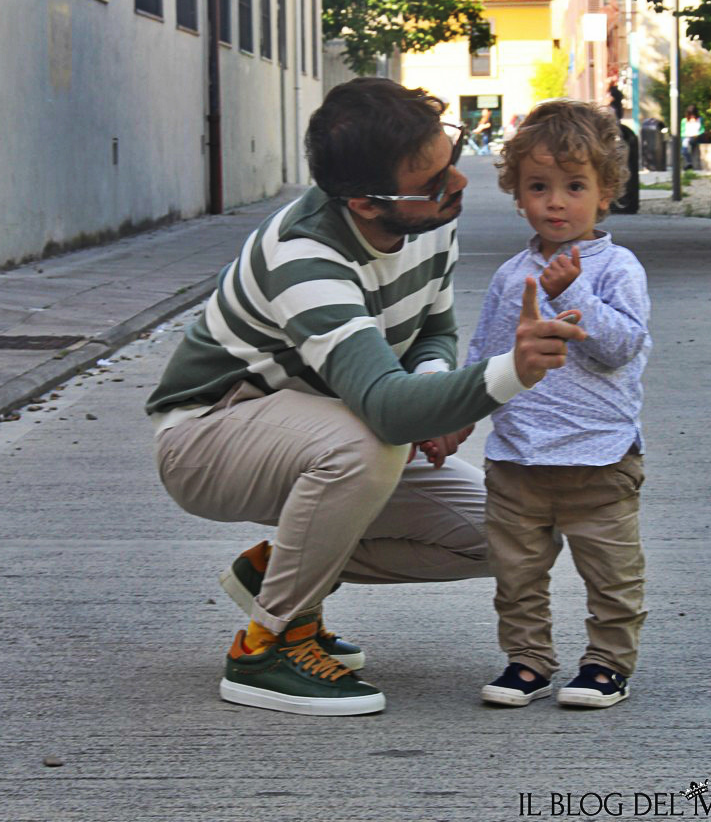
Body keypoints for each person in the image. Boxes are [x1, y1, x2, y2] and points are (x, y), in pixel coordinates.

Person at [146, 78, 585, 717]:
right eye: (434, 181)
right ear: (365, 202)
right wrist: (508, 372)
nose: (457, 186)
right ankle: (264, 647)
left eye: (451, 162)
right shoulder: (303, 256)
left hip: (330, 425)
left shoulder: (428, 220)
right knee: (369, 443)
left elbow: (433, 328)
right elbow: (384, 408)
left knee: (519, 533)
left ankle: (275, 574)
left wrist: (433, 389)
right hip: (211, 434)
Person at [467, 98, 651, 710]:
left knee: (612, 577)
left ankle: (606, 664)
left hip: (599, 460)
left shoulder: (617, 268)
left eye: (575, 186)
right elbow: (485, 357)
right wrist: (452, 419)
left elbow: (622, 346)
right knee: (516, 578)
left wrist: (574, 294)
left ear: (605, 194)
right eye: (538, 186)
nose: (555, 201)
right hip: (518, 460)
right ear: (517, 195)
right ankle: (527, 661)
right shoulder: (510, 276)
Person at [682, 105, 704, 169]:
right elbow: (683, 131)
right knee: (684, 148)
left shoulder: (700, 119)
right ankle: (689, 163)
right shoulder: (684, 120)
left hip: (696, 137)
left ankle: (689, 163)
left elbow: (702, 130)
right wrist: (685, 136)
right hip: (687, 137)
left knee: (688, 142)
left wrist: (697, 134)